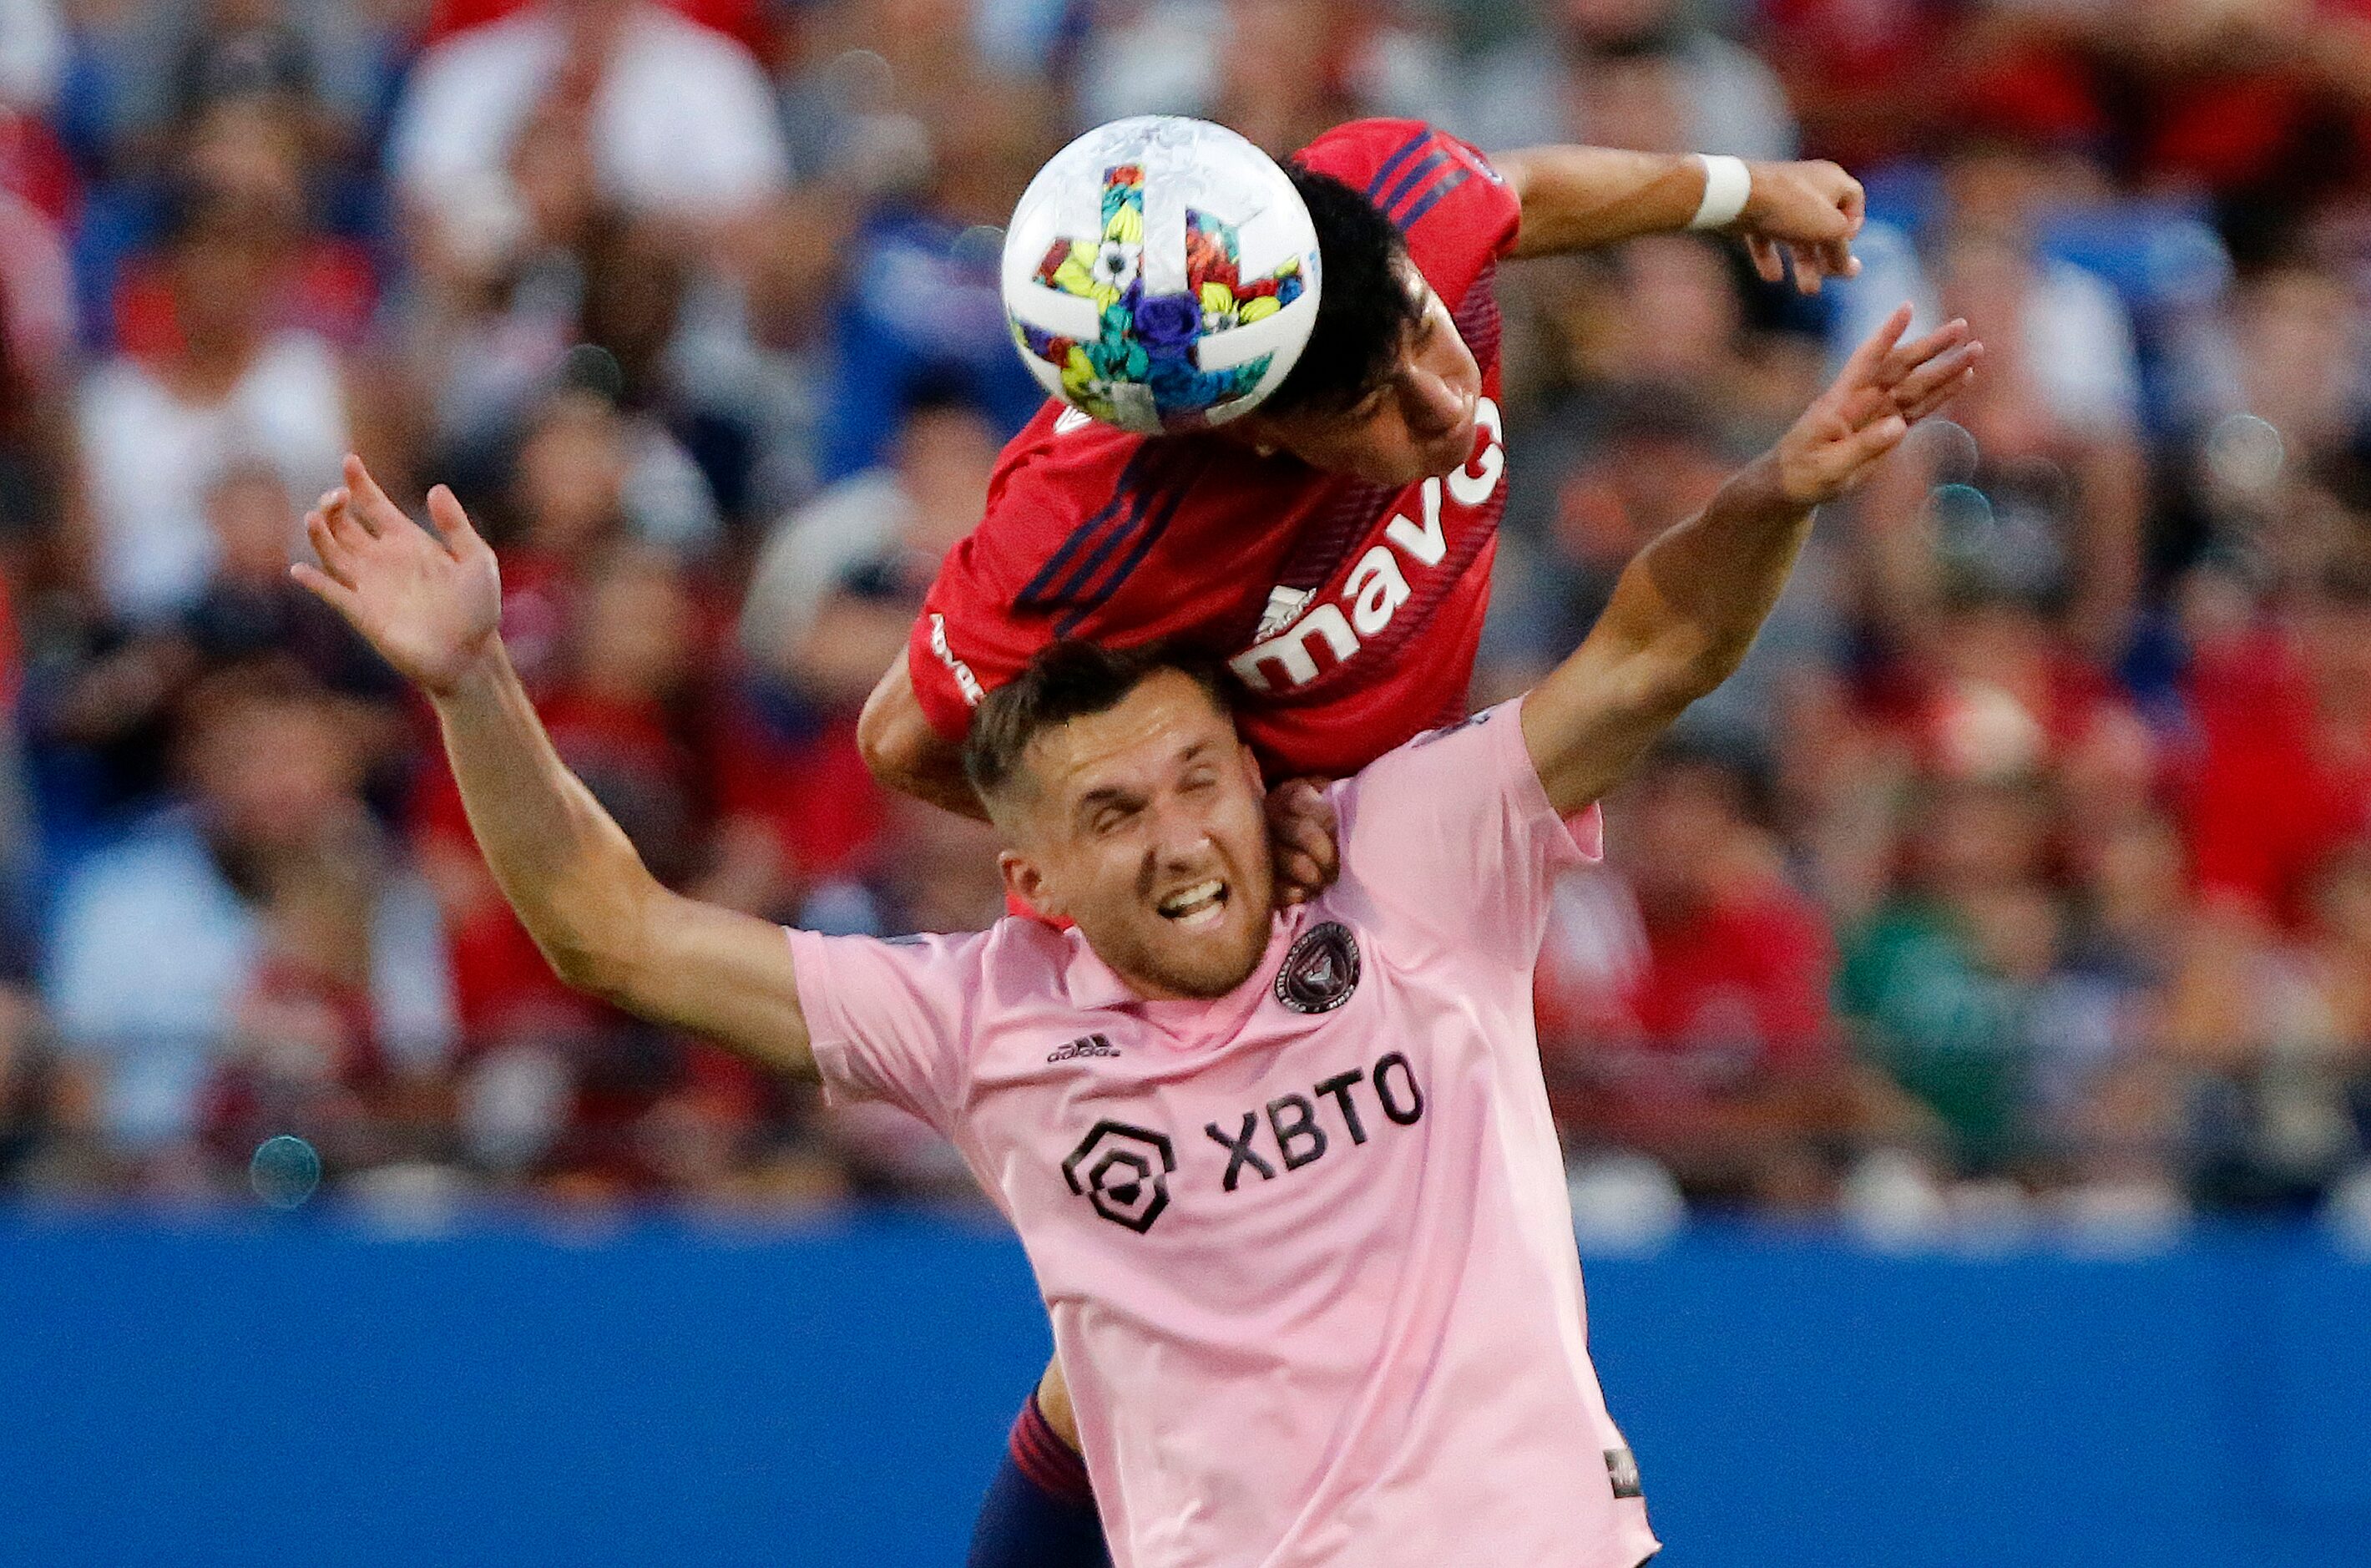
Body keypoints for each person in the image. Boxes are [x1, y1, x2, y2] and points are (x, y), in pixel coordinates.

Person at [291, 298, 1976, 1566]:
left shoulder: (1418, 855)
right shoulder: (984, 1019)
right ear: (1031, 879)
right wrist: (472, 679)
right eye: (1110, 816)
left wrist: (1778, 488)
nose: (1176, 838)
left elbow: (1651, 654)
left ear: (1256, 777)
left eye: (1194, 782)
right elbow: (615, 936)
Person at [855, 114, 1876, 1562]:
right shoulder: (1099, 530)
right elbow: (902, 735)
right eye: (1375, 415)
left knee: (1162, 1334)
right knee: (1219, 1310)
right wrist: (1207, 839)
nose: (1445, 405)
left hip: (1381, 859)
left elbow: (1517, 190)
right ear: (1256, 432)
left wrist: (1741, 191)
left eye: (1423, 334)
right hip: (1236, 916)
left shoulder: (1380, 202)